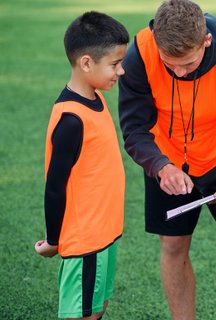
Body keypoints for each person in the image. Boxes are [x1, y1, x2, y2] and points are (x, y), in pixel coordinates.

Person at [118, 0, 216, 318]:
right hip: (166, 160)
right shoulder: (139, 53)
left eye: (187, 64)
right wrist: (160, 166)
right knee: (173, 246)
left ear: (206, 41)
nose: (179, 72)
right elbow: (134, 128)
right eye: (169, 63)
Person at [34, 11, 129, 320]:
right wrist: (53, 240)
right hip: (86, 240)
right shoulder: (70, 119)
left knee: (97, 308)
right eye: (115, 64)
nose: (121, 71)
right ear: (86, 63)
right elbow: (54, 185)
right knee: (81, 314)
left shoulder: (96, 96)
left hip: (105, 233)